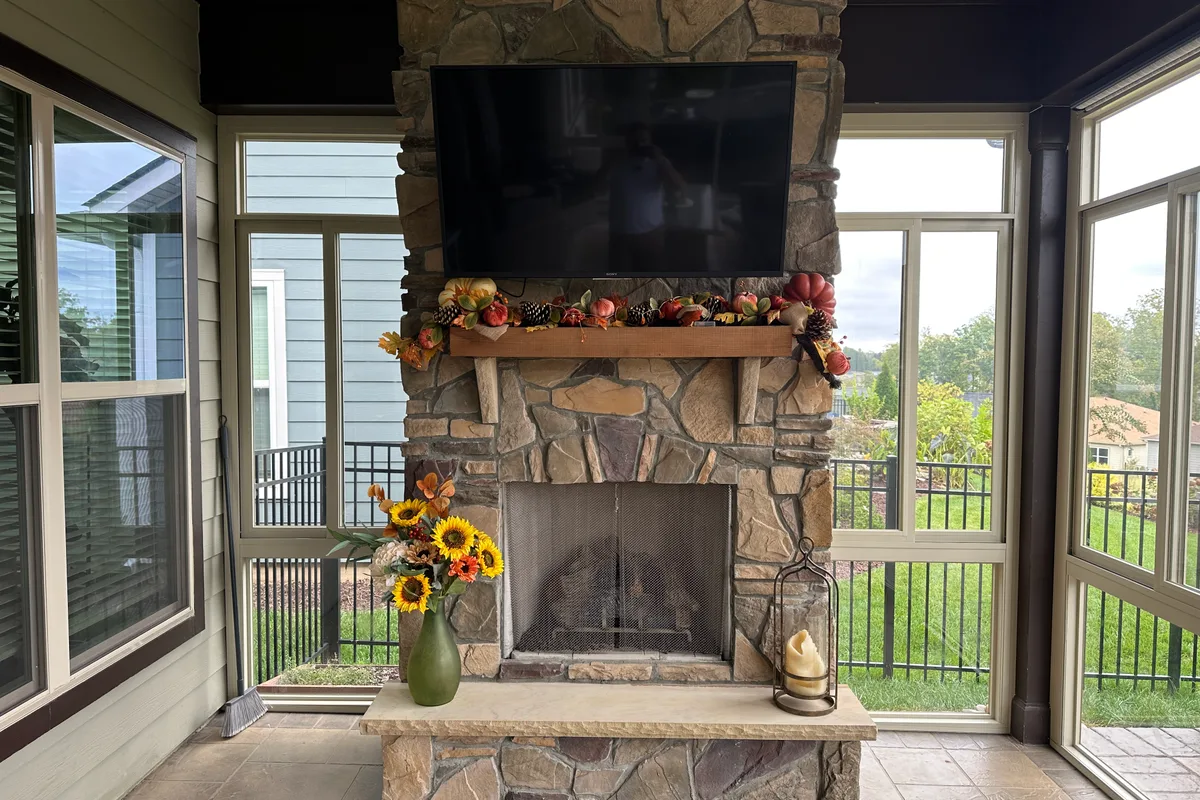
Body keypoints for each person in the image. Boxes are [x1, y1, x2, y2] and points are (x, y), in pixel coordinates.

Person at [607, 123, 686, 272]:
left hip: (651, 234)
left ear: (650, 142)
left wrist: (661, 160)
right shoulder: (616, 163)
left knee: (654, 278)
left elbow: (680, 187)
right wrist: (610, 162)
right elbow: (596, 187)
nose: (638, 145)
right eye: (633, 141)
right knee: (615, 282)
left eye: (643, 140)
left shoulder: (659, 163)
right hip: (619, 236)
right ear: (626, 142)